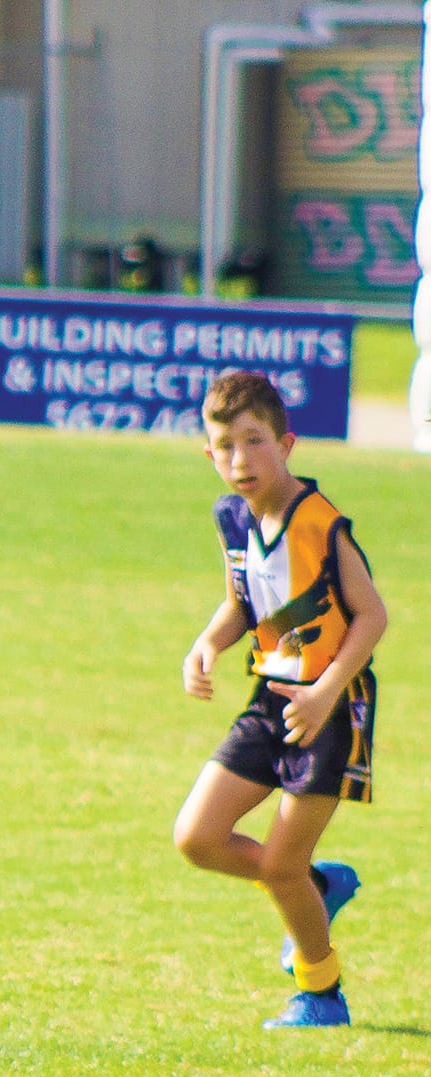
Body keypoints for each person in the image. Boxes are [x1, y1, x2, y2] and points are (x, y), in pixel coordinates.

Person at [173, 370, 384, 1029]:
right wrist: (207, 642)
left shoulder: (321, 524)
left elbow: (371, 617)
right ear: (209, 455)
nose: (240, 460)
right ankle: (316, 889)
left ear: (286, 444)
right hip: (272, 696)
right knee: (198, 839)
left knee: (280, 865)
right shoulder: (230, 516)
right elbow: (244, 600)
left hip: (331, 705)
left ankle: (322, 993)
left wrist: (323, 694)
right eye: (225, 446)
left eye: (254, 441)